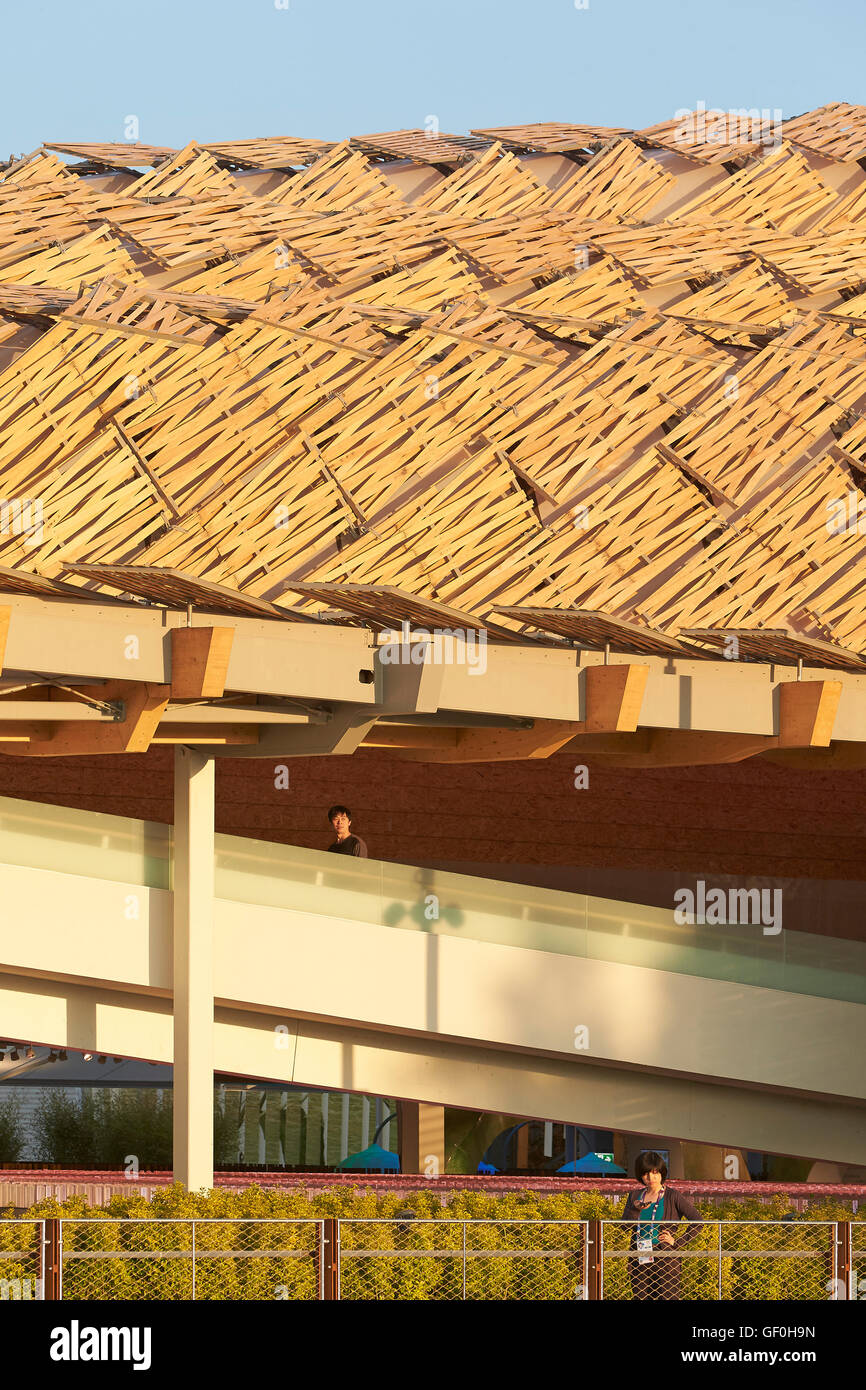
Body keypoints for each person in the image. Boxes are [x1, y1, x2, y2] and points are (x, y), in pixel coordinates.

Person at [621, 1151, 702, 1300]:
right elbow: (625, 1227)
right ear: (640, 1175)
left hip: (665, 1257)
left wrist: (677, 1242)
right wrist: (635, 1209)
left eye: (655, 1173)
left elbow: (697, 1221)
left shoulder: (672, 1196)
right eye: (646, 1174)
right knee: (640, 1297)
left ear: (662, 1173)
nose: (651, 1178)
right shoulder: (634, 1196)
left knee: (667, 1297)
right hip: (640, 1254)